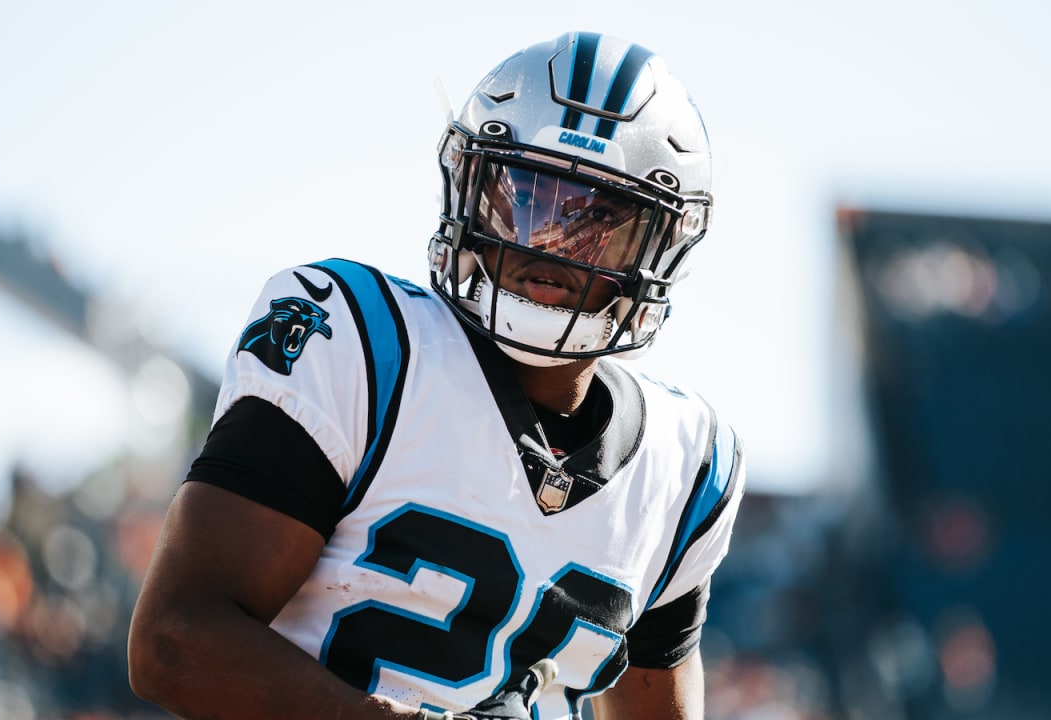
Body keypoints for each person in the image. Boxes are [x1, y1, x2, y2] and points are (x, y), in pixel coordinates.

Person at [128, 30, 745, 720]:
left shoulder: (685, 464)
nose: (553, 242)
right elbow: (174, 641)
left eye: (597, 219)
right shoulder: (363, 346)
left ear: (660, 243)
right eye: (529, 196)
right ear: (474, 186)